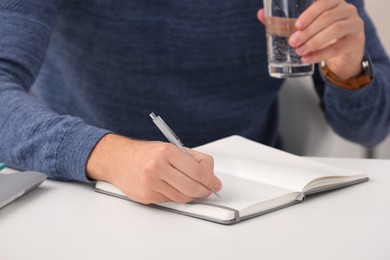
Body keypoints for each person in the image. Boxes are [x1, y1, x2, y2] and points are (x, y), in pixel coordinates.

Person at [0, 0, 389, 204]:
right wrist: (107, 156)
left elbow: (370, 128)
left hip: (253, 197)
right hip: (84, 188)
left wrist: (349, 68)